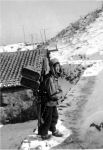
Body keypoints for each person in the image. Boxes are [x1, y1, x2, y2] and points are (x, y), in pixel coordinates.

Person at [38, 58, 65, 140]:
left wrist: (59, 92)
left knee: (54, 117)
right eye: (56, 66)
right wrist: (60, 95)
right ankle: (44, 134)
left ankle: (53, 130)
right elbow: (52, 94)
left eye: (58, 66)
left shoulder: (54, 77)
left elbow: (59, 89)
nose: (58, 68)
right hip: (48, 103)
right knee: (47, 119)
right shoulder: (50, 79)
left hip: (52, 102)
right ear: (52, 67)